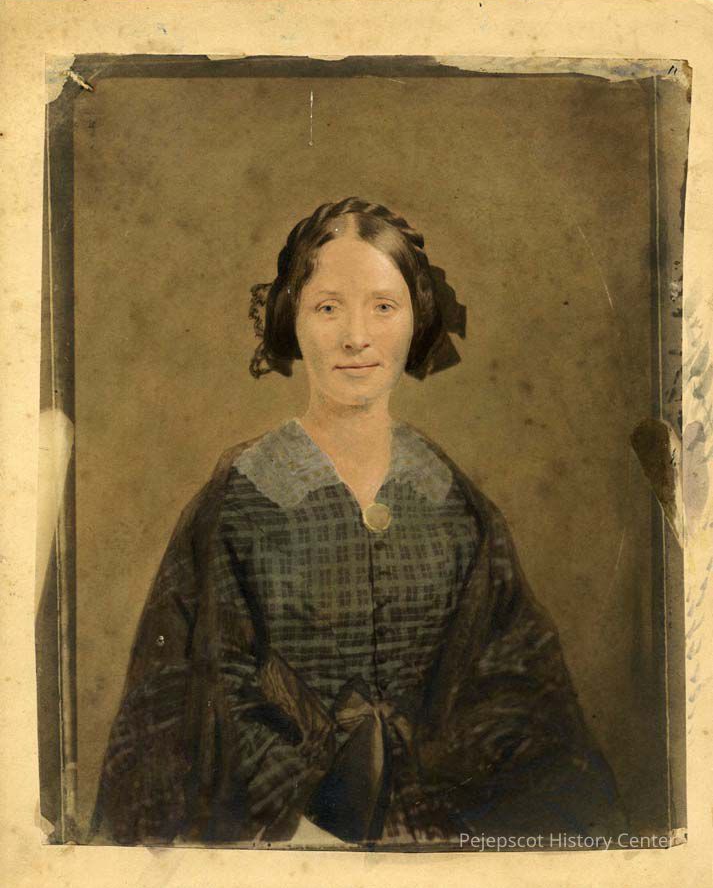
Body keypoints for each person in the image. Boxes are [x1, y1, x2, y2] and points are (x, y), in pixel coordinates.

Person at [91, 197, 627, 847]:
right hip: (279, 843)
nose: (356, 336)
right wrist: (306, 815)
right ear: (291, 318)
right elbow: (197, 700)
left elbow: (519, 689)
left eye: (383, 306)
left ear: (416, 319)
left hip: (445, 841)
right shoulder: (242, 498)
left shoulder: (452, 502)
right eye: (328, 307)